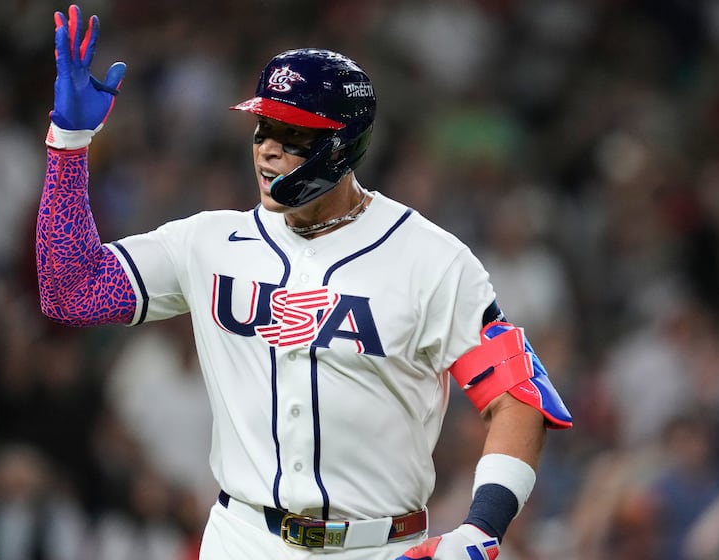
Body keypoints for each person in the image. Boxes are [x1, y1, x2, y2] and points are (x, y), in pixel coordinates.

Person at [37, 5, 572, 559]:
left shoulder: (431, 260)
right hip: (242, 539)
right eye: (262, 128)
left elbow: (518, 397)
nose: (267, 148)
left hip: (380, 547)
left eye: (291, 136)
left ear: (342, 145)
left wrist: (480, 527)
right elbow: (70, 290)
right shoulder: (209, 243)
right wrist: (69, 143)